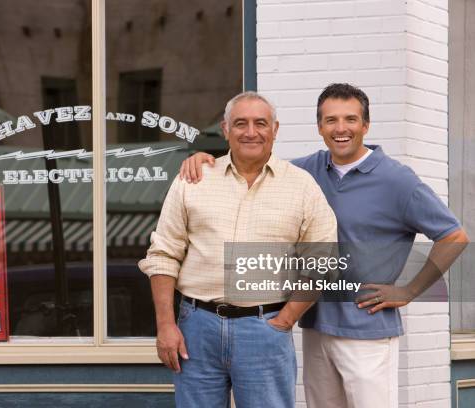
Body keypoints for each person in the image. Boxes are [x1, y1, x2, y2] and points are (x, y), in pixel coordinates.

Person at [179, 83, 470, 408]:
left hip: (367, 329)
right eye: (331, 120)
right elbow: (252, 161)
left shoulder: (397, 180)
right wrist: (205, 161)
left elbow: (454, 236)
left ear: (366, 125)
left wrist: (408, 291)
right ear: (319, 126)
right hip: (315, 323)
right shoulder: (305, 171)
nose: (341, 128)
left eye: (350, 119)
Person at [139, 91, 337, 408]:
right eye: (240, 123)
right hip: (196, 330)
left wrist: (286, 319)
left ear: (275, 129)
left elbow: (323, 261)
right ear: (225, 129)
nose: (250, 132)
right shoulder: (194, 179)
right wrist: (165, 325)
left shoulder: (301, 186)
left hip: (265, 328)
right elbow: (163, 255)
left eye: (260, 123)